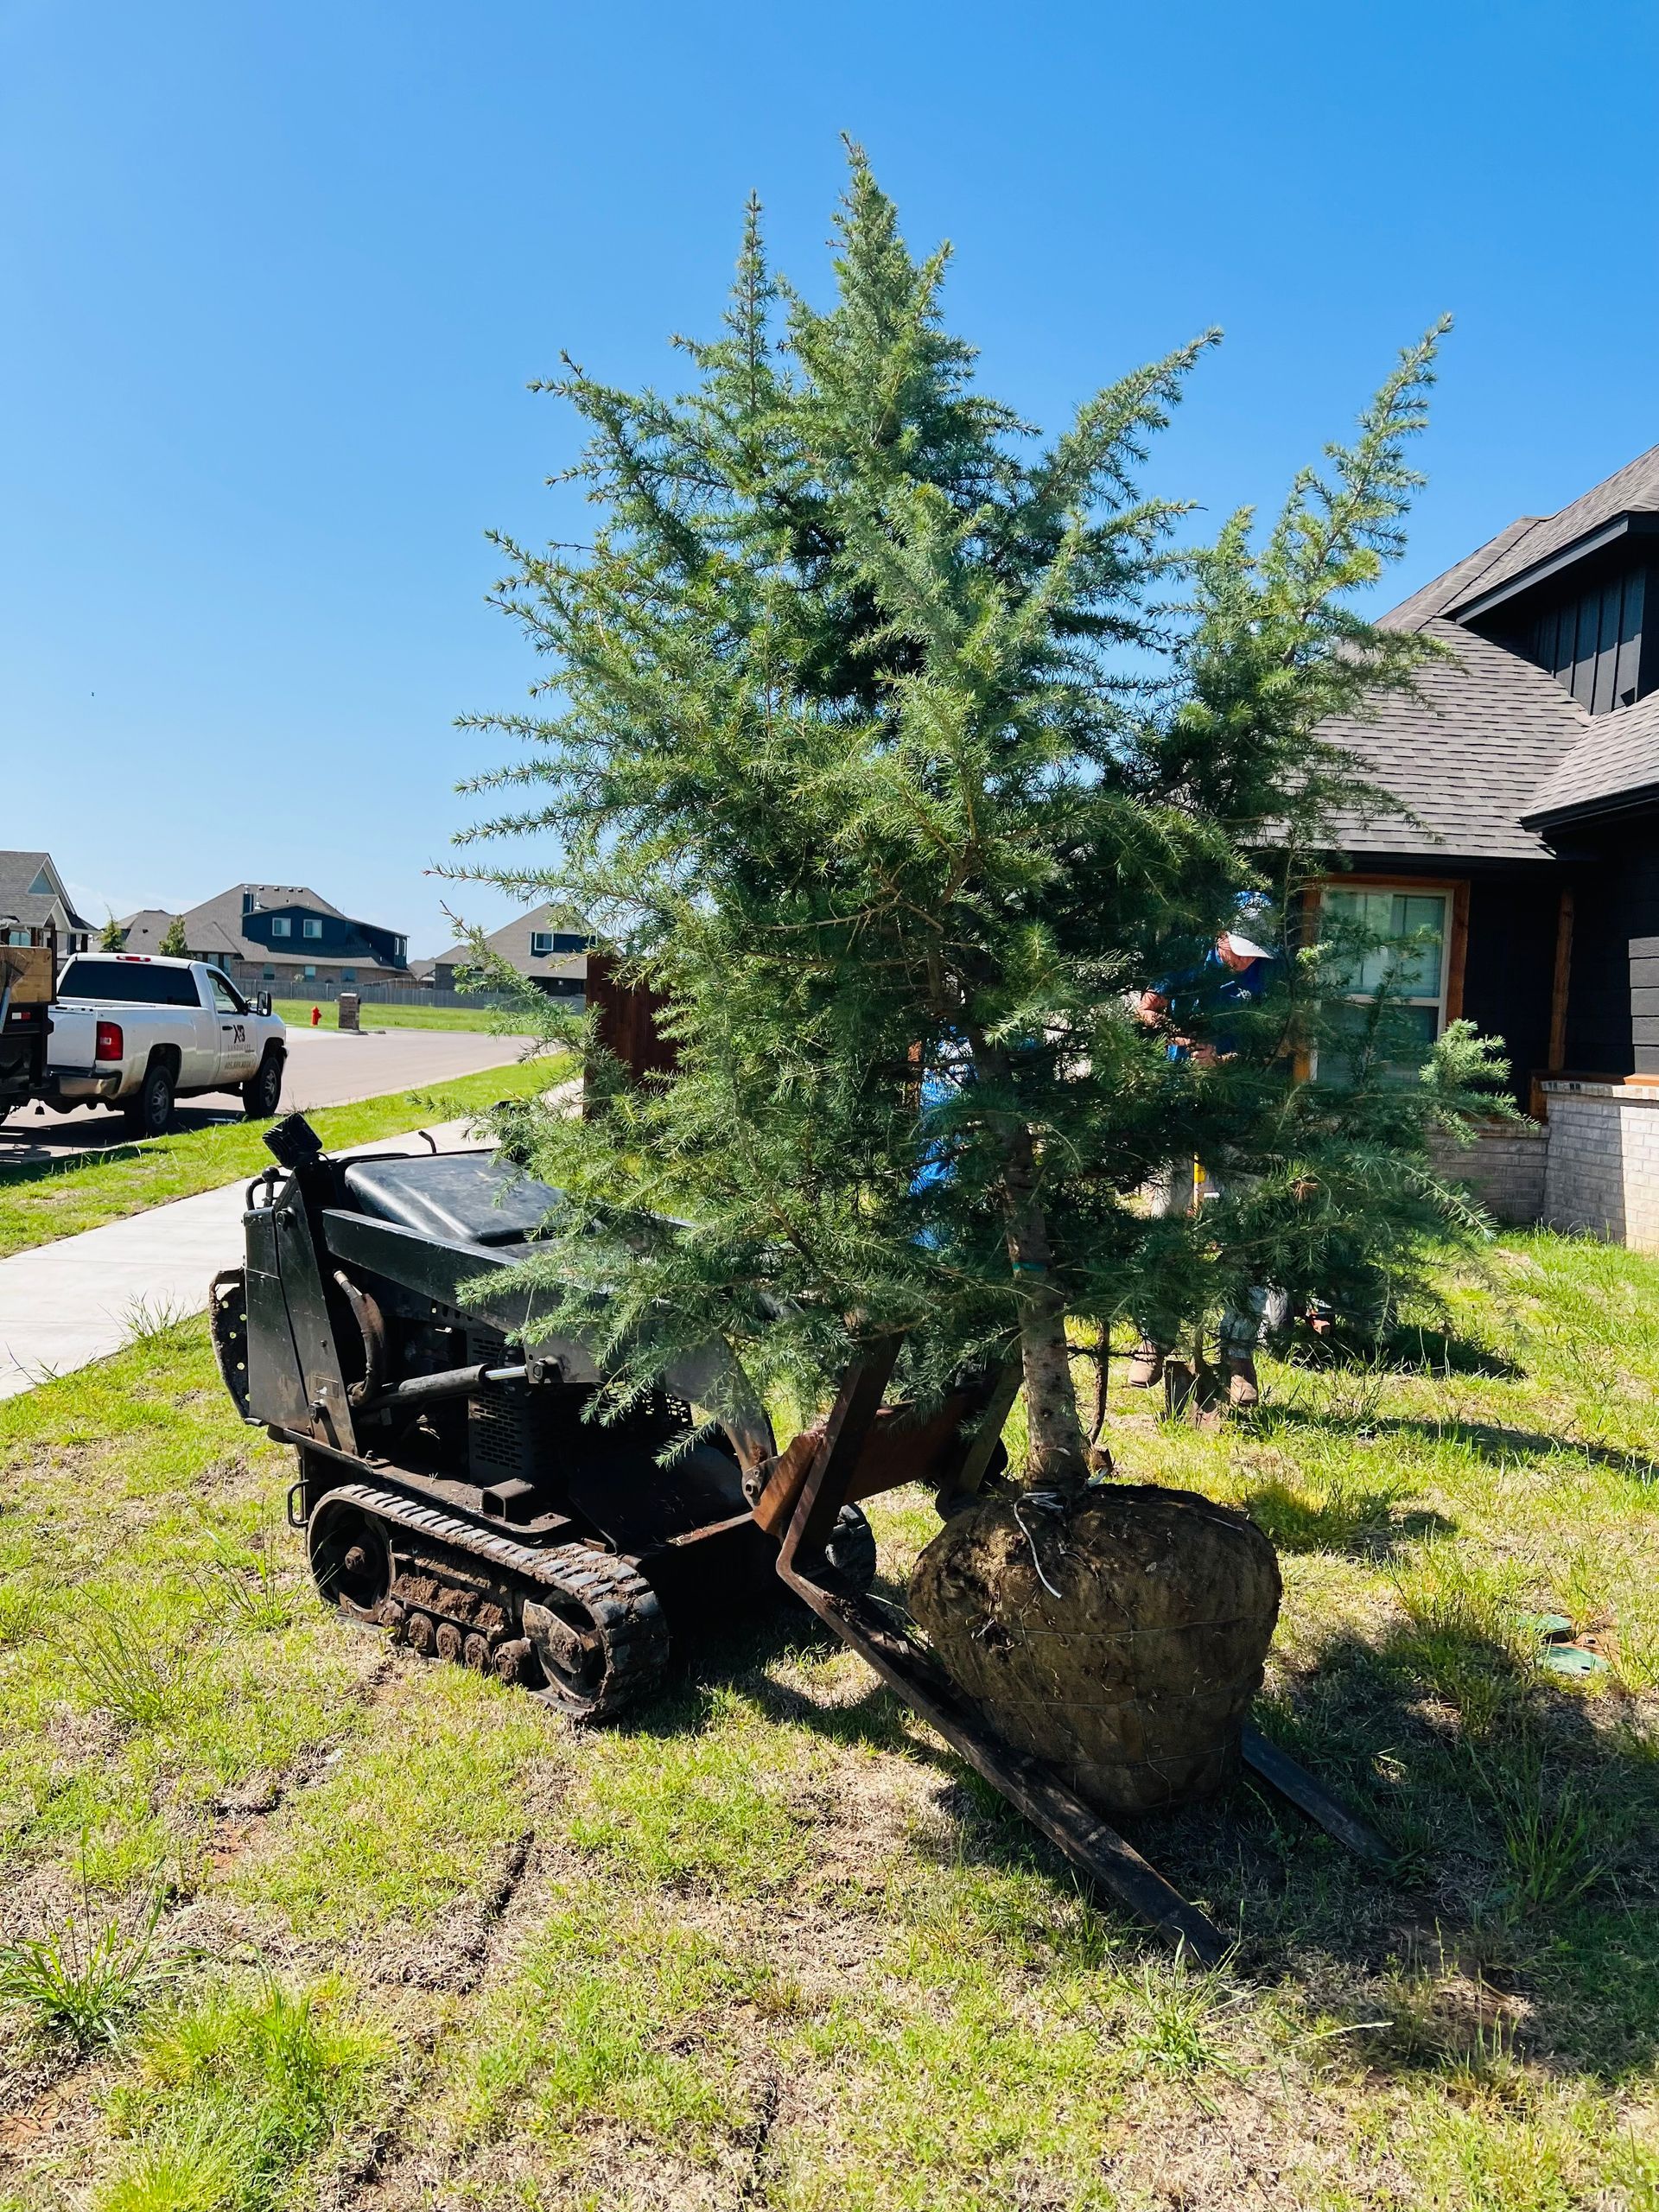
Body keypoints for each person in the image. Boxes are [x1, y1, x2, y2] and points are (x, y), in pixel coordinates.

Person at [1126, 925, 1281, 1409]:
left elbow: (1284, 1038)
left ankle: (1238, 1355)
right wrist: (1177, 1036)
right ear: (1221, 938)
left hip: (1238, 1109)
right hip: (1177, 1104)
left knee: (1243, 1229)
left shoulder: (1272, 973)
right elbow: (1145, 1006)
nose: (1245, 963)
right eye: (1239, 953)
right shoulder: (1184, 958)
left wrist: (1227, 1061)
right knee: (1165, 1220)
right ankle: (1154, 1337)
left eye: (1254, 956)